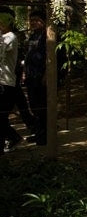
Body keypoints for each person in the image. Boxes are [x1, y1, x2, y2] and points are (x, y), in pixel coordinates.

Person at [0, 6, 24, 153]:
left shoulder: (10, 37)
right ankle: (12, 138)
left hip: (5, 83)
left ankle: (13, 138)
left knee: (1, 116)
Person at [23, 10, 47, 145]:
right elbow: (28, 56)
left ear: (44, 21)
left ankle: (44, 136)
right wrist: (25, 72)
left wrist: (46, 75)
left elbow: (50, 58)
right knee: (34, 106)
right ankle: (38, 133)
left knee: (42, 107)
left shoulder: (47, 36)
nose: (33, 22)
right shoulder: (33, 36)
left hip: (41, 77)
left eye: (36, 20)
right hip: (31, 76)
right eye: (31, 20)